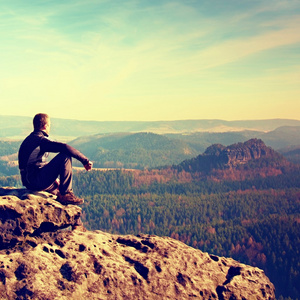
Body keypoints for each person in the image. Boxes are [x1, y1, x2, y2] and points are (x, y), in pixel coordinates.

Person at [18, 113, 93, 206]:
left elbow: (35, 164)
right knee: (65, 157)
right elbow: (65, 147)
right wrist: (85, 161)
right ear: (45, 126)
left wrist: (54, 179)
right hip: (35, 180)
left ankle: (60, 192)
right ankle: (65, 194)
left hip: (29, 181)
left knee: (56, 187)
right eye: (49, 125)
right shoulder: (40, 141)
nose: (49, 127)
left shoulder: (29, 139)